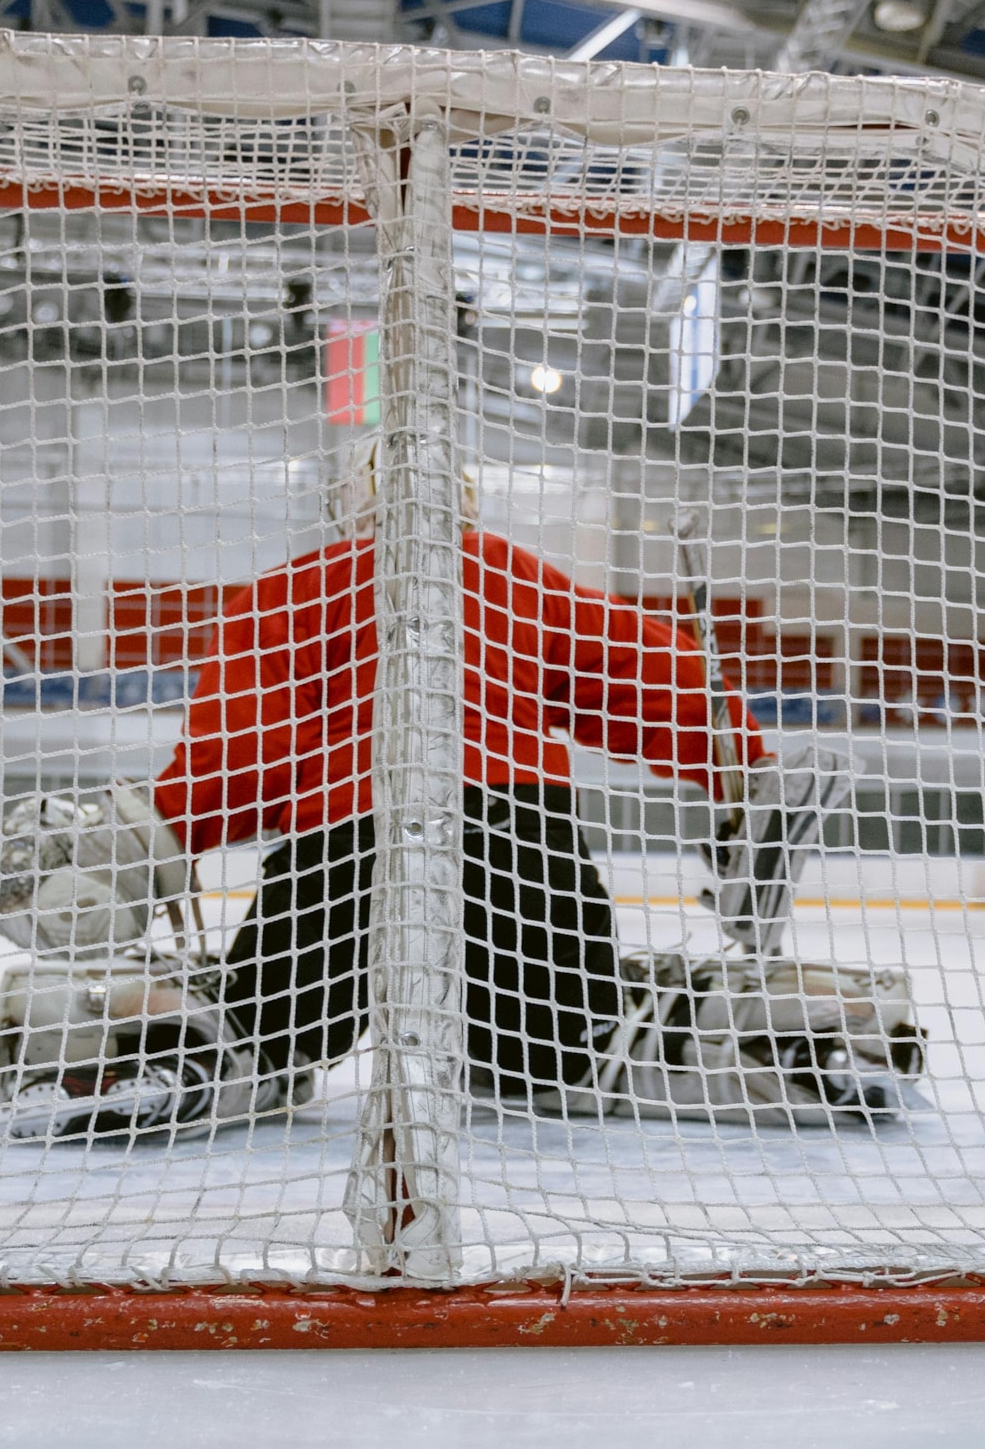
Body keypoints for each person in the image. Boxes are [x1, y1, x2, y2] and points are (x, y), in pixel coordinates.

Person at [148, 457, 807, 1103]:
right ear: (462, 500)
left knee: (265, 1031)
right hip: (517, 834)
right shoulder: (513, 572)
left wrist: (163, 834)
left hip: (349, 834)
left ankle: (228, 1058)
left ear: (355, 502)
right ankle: (725, 1044)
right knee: (555, 1052)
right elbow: (652, 672)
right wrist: (741, 769)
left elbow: (242, 746)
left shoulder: (296, 586)